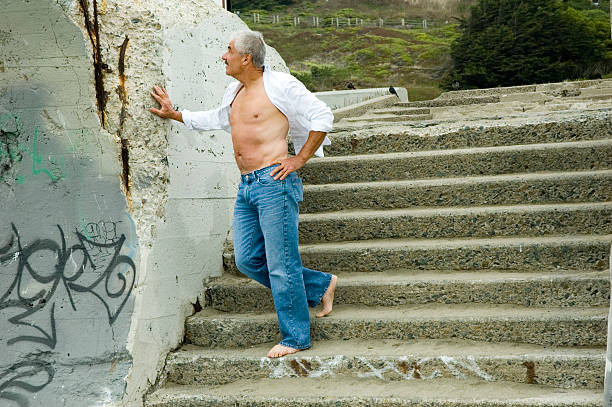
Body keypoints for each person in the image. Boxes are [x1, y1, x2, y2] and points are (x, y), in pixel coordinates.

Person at [149, 30, 337, 358]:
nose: (224, 56)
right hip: (247, 186)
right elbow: (219, 119)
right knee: (247, 259)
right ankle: (320, 285)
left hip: (274, 183)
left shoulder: (280, 86)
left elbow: (323, 116)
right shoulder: (234, 91)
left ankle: (296, 337)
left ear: (246, 58)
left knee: (282, 263)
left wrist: (299, 159)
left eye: (229, 50)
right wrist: (175, 113)